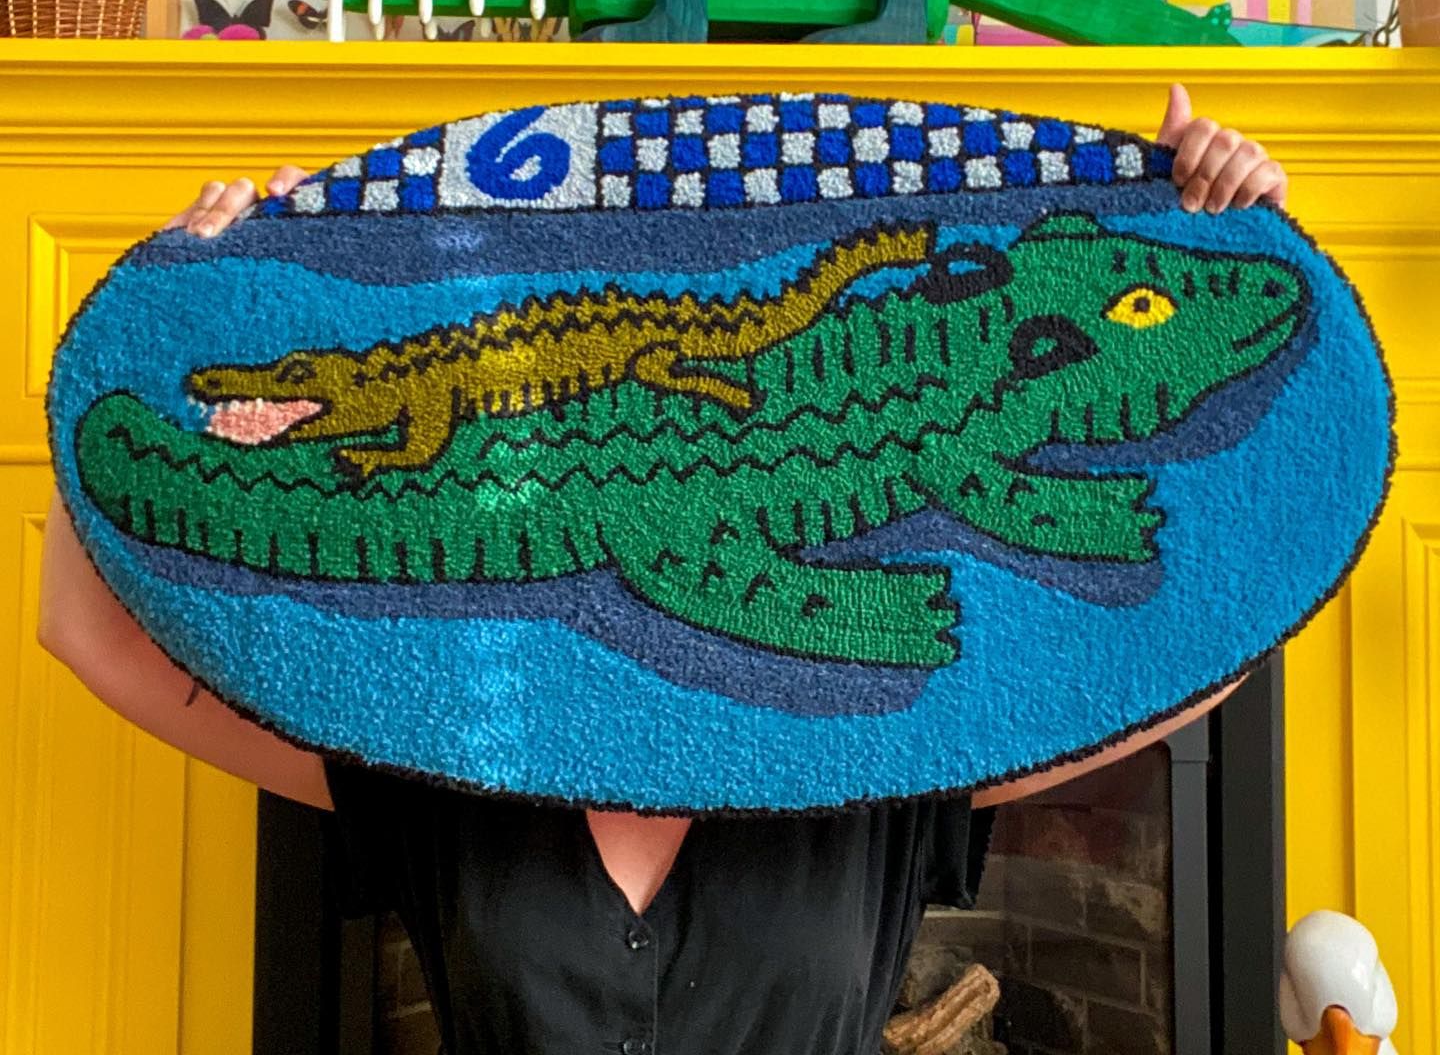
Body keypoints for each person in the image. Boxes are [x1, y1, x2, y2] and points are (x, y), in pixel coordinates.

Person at [37, 83, 1287, 1055]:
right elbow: (81, 633)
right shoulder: (439, 743)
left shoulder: (888, 752)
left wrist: (1231, 211)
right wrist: (154, 326)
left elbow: (1201, 651)